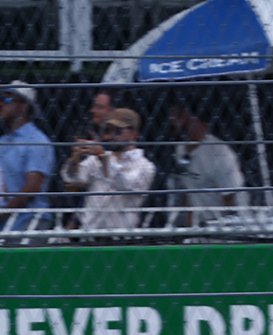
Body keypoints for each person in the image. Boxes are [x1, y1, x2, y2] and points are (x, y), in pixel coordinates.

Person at [61, 108, 155, 236]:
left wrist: (103, 159)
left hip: (123, 239)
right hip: (90, 236)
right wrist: (74, 160)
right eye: (107, 130)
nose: (110, 136)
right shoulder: (98, 158)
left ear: (133, 134)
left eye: (118, 131)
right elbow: (72, 179)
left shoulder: (146, 166)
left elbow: (125, 184)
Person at [166, 99, 246, 227]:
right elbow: (189, 190)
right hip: (198, 227)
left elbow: (231, 197)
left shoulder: (219, 153)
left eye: (179, 117)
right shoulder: (180, 149)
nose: (174, 122)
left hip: (221, 226)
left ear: (195, 120)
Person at [0, 84, 54, 233]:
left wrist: (3, 212)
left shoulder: (37, 140)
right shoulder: (2, 141)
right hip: (3, 222)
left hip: (30, 219)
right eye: (0, 99)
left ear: (24, 106)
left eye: (8, 100)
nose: (0, 103)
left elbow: (32, 187)